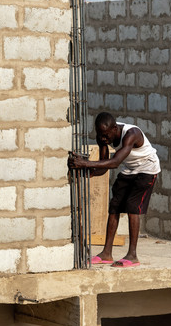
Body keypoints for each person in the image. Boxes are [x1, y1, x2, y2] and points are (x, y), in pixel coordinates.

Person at [67, 111, 160, 267]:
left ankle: (132, 255)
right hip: (130, 169)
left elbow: (115, 162)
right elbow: (104, 167)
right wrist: (85, 171)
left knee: (132, 207)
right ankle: (106, 253)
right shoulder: (103, 137)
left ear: (115, 128)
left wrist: (85, 163)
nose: (103, 139)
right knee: (114, 207)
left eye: (106, 135)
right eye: (100, 135)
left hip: (147, 169)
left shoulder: (132, 134)